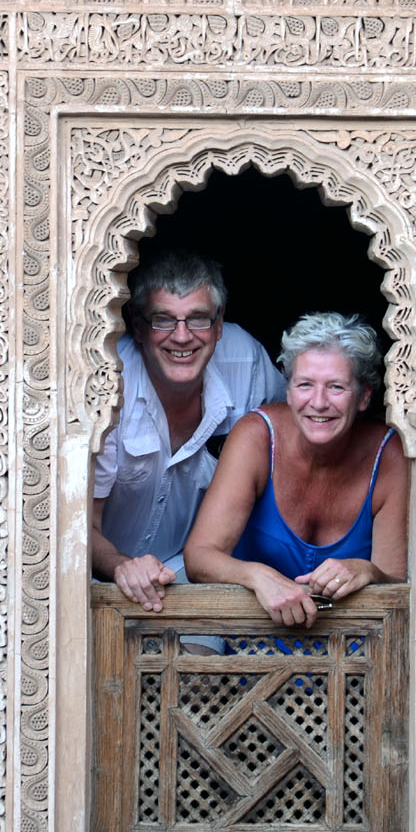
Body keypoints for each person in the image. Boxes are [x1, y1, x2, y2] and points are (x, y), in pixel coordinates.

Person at [91, 249, 285, 611]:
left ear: (219, 321)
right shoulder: (108, 380)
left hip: (193, 575)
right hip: (97, 577)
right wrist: (121, 566)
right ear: (136, 324)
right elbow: (80, 522)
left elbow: (305, 426)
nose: (182, 337)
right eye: (163, 319)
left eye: (197, 319)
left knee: (203, 660)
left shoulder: (245, 362)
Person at [185, 313, 408, 627]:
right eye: (305, 385)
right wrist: (258, 577)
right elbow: (199, 556)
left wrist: (368, 571)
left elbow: (398, 585)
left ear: (364, 396)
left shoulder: (389, 455)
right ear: (288, 392)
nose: (318, 402)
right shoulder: (257, 437)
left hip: (351, 649)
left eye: (336, 387)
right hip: (250, 638)